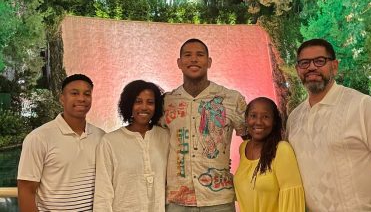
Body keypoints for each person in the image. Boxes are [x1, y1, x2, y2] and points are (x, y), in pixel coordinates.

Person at [287, 38, 371, 211]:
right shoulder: (294, 118)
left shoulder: (362, 106)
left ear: (334, 66)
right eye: (304, 63)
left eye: (320, 61)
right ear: (298, 70)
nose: (311, 67)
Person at [163, 38, 247, 211]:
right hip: (176, 200)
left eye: (200, 55)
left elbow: (251, 140)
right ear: (179, 63)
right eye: (187, 55)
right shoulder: (166, 101)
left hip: (218, 199)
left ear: (209, 62)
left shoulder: (231, 99)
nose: (193, 59)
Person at [17, 74, 105, 212]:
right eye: (74, 93)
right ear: (62, 98)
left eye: (87, 94)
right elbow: (26, 190)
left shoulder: (101, 137)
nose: (81, 98)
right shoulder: (38, 138)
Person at [93, 80, 169, 212]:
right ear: (128, 104)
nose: (144, 107)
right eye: (138, 102)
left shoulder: (165, 137)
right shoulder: (110, 141)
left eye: (150, 102)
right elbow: (103, 192)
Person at [234, 97, 305, 212]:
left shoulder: (281, 150)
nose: (258, 122)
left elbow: (292, 200)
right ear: (246, 119)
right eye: (253, 116)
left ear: (274, 121)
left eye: (266, 117)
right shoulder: (243, 148)